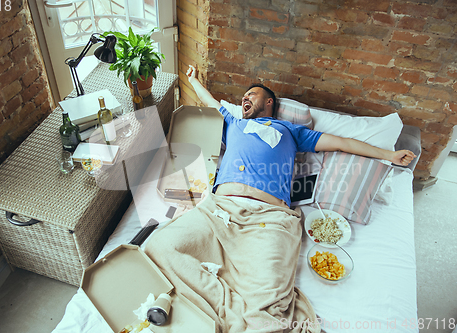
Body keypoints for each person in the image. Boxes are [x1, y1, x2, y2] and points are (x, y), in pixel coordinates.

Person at [144, 65, 416, 333]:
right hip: (220, 211)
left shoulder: (291, 131)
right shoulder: (234, 123)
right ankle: (230, 310)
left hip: (269, 220)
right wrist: (192, 80)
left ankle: (230, 311)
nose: (244, 98)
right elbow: (210, 102)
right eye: (244, 97)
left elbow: (342, 142)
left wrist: (387, 155)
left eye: (252, 94)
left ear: (269, 102)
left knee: (268, 308)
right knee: (160, 246)